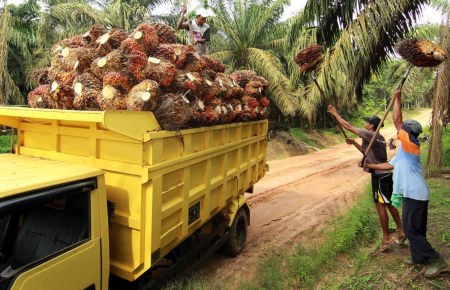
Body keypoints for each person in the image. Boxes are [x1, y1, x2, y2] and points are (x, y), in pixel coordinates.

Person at [364, 85, 449, 277]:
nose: (399, 131)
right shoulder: (403, 150)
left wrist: (398, 98)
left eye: (402, 130)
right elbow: (389, 165)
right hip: (412, 193)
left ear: (407, 133)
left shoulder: (411, 146)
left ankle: (437, 260)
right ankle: (419, 257)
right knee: (415, 228)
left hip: (416, 194)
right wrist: (369, 166)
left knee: (410, 230)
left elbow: (396, 120)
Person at [327, 105, 405, 252]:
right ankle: (401, 230)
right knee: (389, 204)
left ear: (371, 126)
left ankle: (387, 237)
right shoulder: (377, 138)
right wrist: (355, 143)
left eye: (367, 123)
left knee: (381, 207)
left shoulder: (372, 135)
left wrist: (335, 113)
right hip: (385, 176)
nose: (365, 124)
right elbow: (366, 152)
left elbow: (348, 126)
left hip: (380, 177)